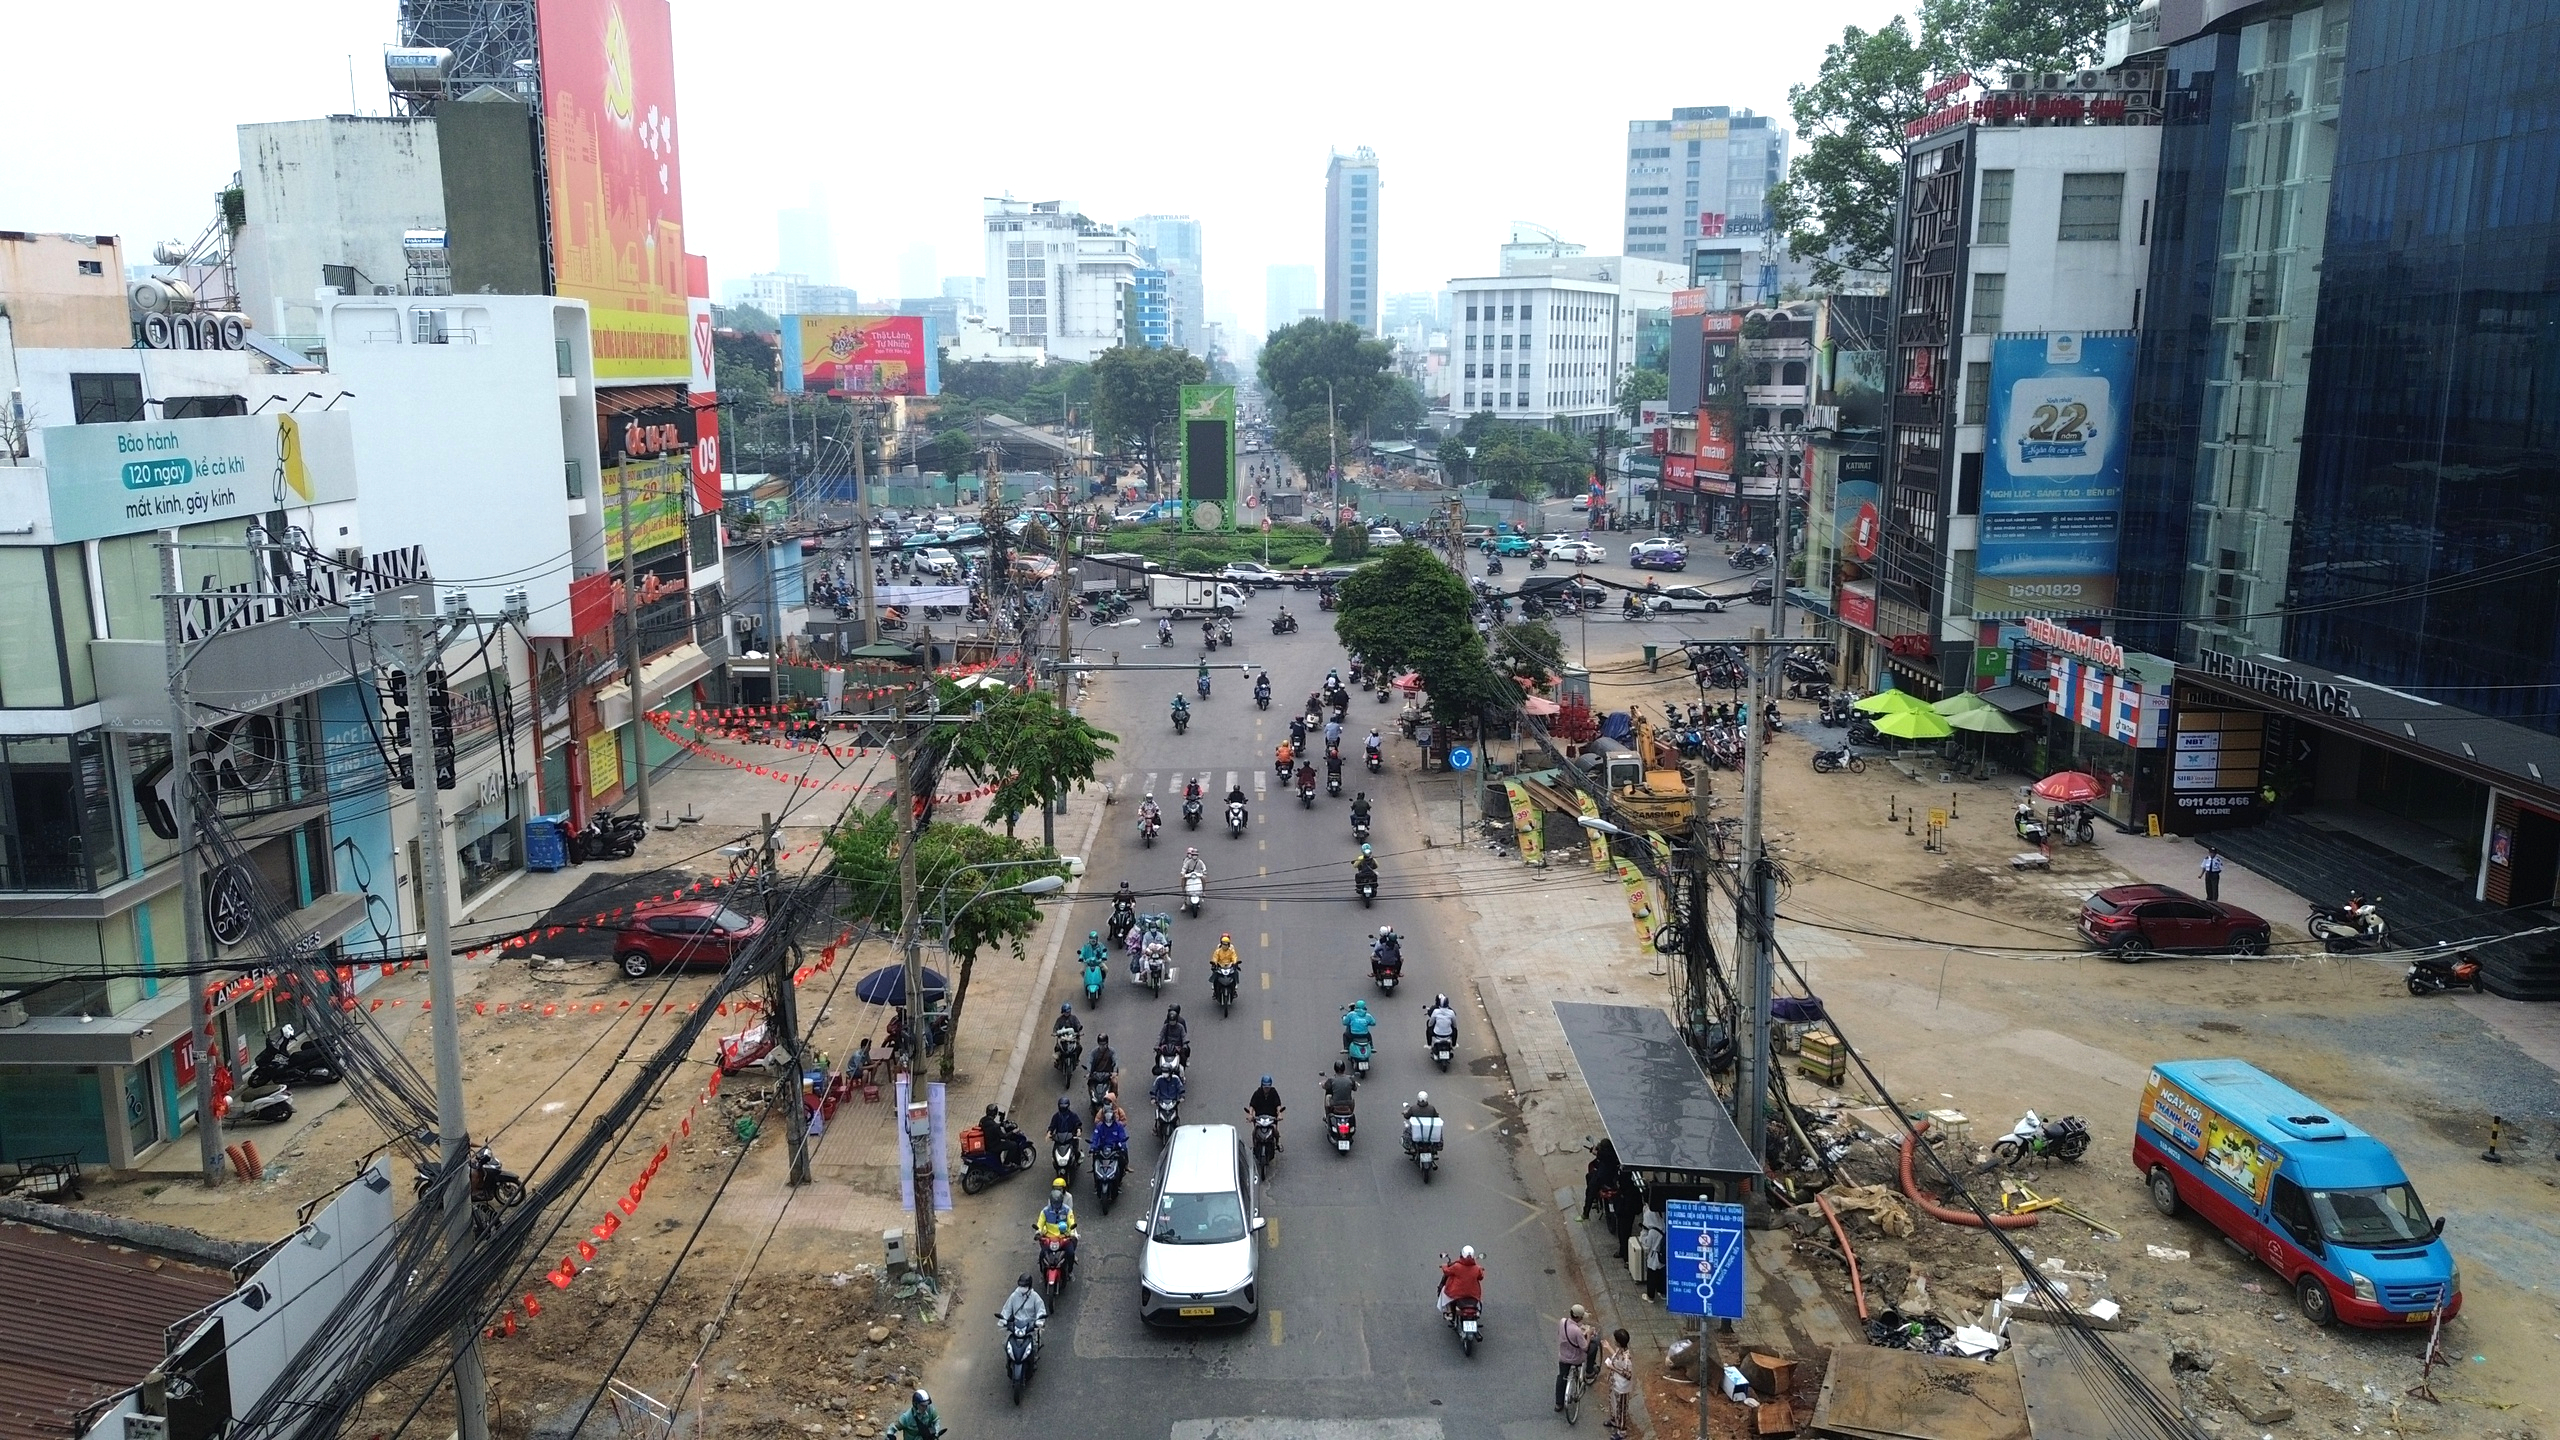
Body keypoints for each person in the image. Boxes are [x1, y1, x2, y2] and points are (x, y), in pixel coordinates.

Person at [1556, 1304, 1597, 1412]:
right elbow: (1584, 1347)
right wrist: (1588, 1334)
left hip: (1563, 1356)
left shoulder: (1562, 1322)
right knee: (1593, 1346)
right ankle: (1589, 1371)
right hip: (1576, 1358)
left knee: (1561, 1376)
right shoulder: (1577, 1331)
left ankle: (1558, 1403)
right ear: (1579, 1317)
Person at [1033, 1176, 1079, 1271]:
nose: (1055, 1205)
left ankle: (1070, 1271)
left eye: (1058, 1203)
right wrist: (1038, 1232)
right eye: (1054, 1203)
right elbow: (1040, 1223)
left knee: (1070, 1253)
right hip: (1049, 1238)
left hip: (1064, 1237)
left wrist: (1072, 1233)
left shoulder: (1067, 1210)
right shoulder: (1045, 1211)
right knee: (1042, 1256)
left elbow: (1071, 1222)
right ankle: (1043, 1272)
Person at [1438, 1245, 1485, 1317]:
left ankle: (1449, 1311)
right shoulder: (1477, 1268)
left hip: (1456, 1293)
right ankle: (1477, 1310)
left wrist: (1444, 1266)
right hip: (1473, 1293)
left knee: (1444, 1291)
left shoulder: (1456, 1266)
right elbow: (1480, 1277)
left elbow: (1447, 1271)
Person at [1582, 1137, 1621, 1220]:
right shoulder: (1615, 1154)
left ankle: (1585, 1213)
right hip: (1613, 1179)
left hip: (1602, 1179)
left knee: (1590, 1190)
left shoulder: (1603, 1155)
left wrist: (1595, 1150)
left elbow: (1595, 1152)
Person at [1604, 1329, 1635, 1430]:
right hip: (1615, 1383)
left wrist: (1613, 1368)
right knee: (1613, 1403)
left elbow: (1628, 1375)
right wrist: (1608, 1347)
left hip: (1622, 1388)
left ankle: (1621, 1431)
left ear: (1618, 1342)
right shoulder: (1620, 1351)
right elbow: (1616, 1359)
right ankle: (1614, 1421)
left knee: (1621, 1410)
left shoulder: (1627, 1358)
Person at [1247, 1074, 1286, 1149]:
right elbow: (1252, 1105)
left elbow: (1278, 1104)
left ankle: (1277, 1142)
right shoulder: (1257, 1093)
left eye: (1268, 1087)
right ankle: (1254, 1145)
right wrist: (1250, 1115)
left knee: (1275, 1129)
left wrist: (1279, 1114)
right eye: (1265, 1087)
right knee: (1255, 1130)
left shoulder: (1274, 1093)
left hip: (1271, 1117)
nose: (1266, 1089)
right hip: (1259, 1117)